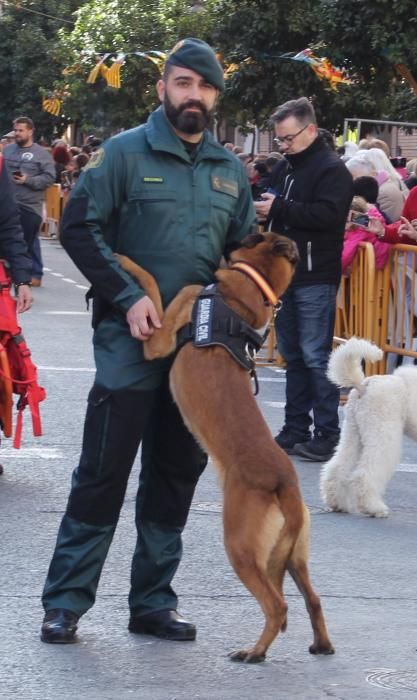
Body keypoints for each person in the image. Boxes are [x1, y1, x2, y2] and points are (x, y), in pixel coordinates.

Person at [40, 37, 257, 645]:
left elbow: (240, 251)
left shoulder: (228, 169)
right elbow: (80, 227)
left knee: (174, 475)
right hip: (127, 343)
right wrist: (127, 294)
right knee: (102, 473)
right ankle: (65, 602)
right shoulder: (123, 155)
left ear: (214, 96)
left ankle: (153, 602)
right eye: (183, 83)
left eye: (204, 87)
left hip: (198, 354)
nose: (194, 96)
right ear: (163, 88)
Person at [255, 97, 353, 461]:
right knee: (293, 355)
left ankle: (328, 433)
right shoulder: (287, 167)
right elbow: (278, 200)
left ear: (310, 130)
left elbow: (327, 216)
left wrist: (278, 208)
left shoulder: (332, 169)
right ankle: (295, 428)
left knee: (314, 356)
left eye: (288, 138)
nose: (283, 145)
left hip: (314, 274)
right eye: (279, 139)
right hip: (287, 274)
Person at [3, 117, 55, 287]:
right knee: (10, 242)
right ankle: (13, 276)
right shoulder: (8, 151)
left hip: (29, 207)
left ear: (30, 131)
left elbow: (49, 177)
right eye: (16, 130)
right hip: (8, 206)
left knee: (27, 243)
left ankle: (31, 276)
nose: (17, 133)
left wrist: (28, 180)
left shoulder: (42, 154)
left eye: (21, 130)